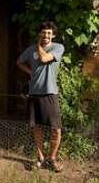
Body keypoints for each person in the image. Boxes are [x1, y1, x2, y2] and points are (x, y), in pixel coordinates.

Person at [17, 21, 65, 172]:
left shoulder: (58, 48)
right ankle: (41, 158)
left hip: (50, 93)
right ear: (40, 33)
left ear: (54, 35)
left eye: (49, 33)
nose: (46, 35)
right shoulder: (30, 50)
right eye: (44, 32)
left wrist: (38, 45)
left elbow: (44, 59)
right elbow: (19, 62)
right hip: (34, 93)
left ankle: (52, 159)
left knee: (56, 129)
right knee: (37, 128)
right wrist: (30, 72)